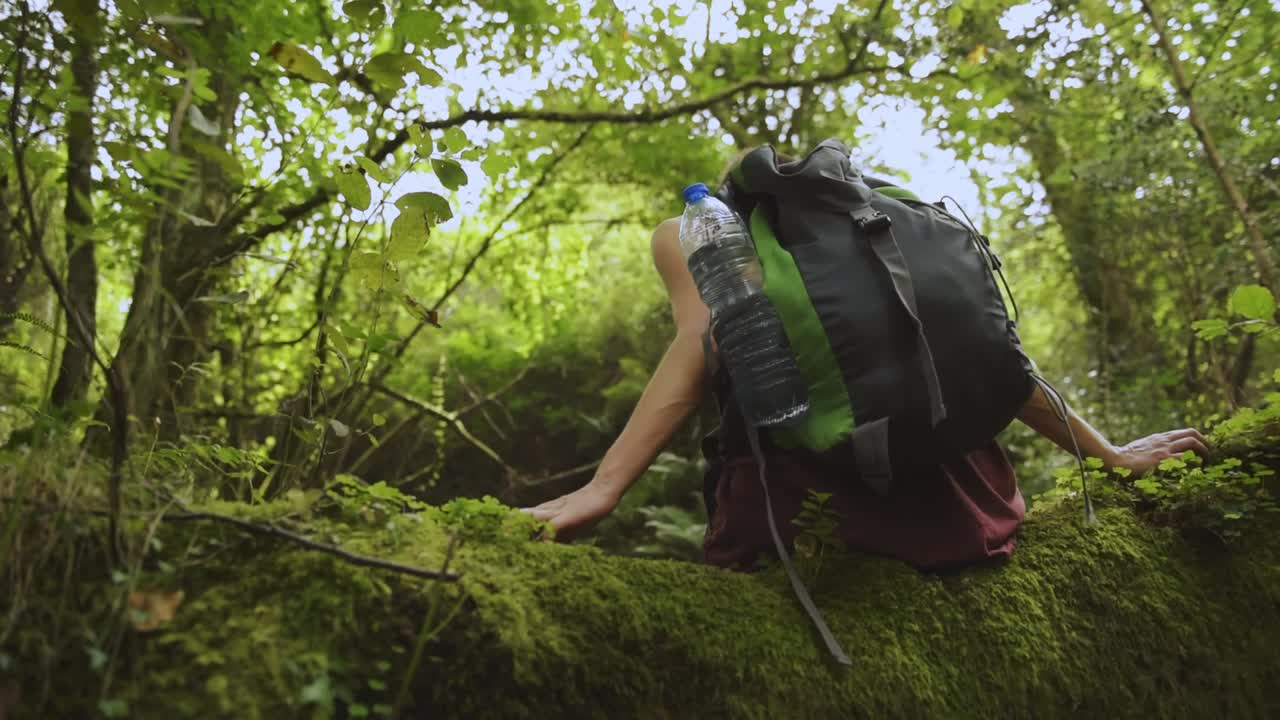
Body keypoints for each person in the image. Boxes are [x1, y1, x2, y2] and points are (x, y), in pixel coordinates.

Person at [521, 178, 1211, 572]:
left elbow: (700, 343)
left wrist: (603, 487)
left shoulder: (688, 231)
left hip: (808, 537)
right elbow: (991, 360)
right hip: (973, 519)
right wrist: (1111, 455)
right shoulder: (881, 214)